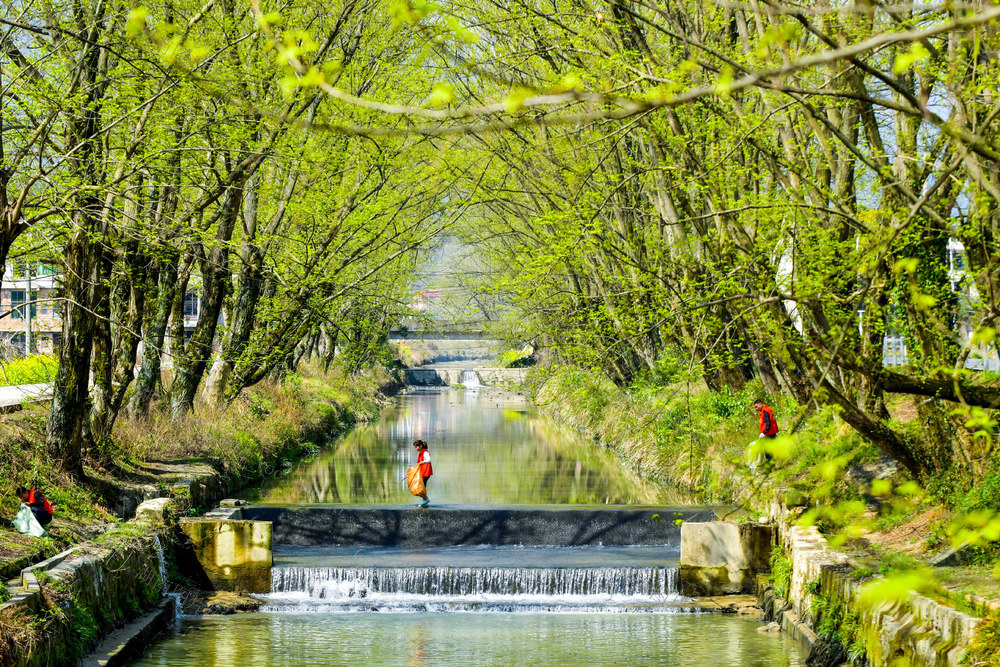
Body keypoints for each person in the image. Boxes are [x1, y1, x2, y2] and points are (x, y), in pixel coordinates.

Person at [413, 440, 432, 507]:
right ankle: (425, 500)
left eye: (417, 447)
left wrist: (422, 462)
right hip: (423, 472)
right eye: (415, 447)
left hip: (426, 472)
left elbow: (429, 460)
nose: (416, 448)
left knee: (421, 487)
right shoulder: (421, 453)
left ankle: (425, 499)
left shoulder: (425, 452)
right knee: (422, 486)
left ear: (420, 446)